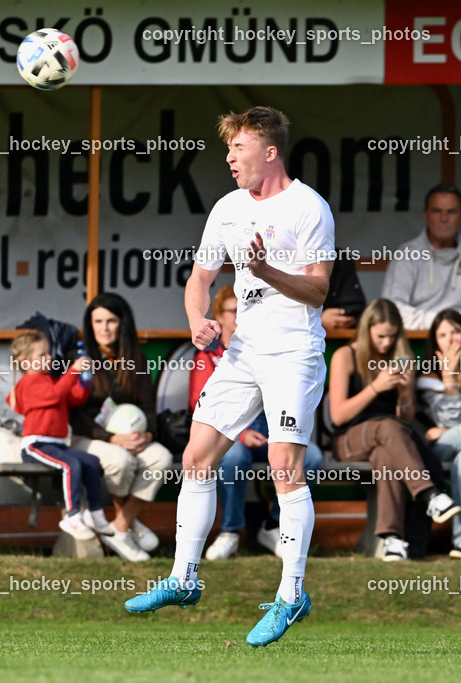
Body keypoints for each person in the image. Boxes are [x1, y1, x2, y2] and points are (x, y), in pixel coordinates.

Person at [125, 106, 333, 647]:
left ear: (270, 152)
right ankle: (183, 578)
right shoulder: (226, 208)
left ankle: (291, 596)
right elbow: (199, 278)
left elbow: (318, 291)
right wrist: (198, 322)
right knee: (195, 457)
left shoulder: (309, 207)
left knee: (285, 465)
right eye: (229, 148)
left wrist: (266, 272)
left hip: (293, 351)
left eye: (238, 148)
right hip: (242, 352)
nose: (229, 158)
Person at [191, 286, 324, 560]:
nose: (241, 314)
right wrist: (241, 435)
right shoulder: (208, 355)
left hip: (274, 430)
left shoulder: (276, 349)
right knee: (231, 458)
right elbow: (198, 406)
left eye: (246, 306)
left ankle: (272, 525)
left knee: (312, 457)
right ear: (218, 316)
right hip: (235, 433)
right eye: (233, 309)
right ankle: (230, 531)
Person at [328, 298, 460, 561]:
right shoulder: (346, 355)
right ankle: (430, 494)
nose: (386, 343)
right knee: (389, 426)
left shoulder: (403, 357)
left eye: (391, 336)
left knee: (387, 452)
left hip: (391, 441)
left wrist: (404, 392)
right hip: (349, 439)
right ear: (366, 331)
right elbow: (339, 415)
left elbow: (407, 416)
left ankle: (392, 540)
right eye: (380, 336)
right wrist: (376, 387)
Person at [68, 292, 172, 561]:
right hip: (85, 438)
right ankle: (129, 525)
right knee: (121, 461)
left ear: (122, 323)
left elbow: (148, 410)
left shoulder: (137, 361)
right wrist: (111, 438)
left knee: (161, 457)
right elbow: (75, 416)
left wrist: (148, 434)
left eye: (111, 321)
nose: (104, 328)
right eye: (98, 321)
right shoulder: (80, 359)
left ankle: (119, 527)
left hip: (130, 438)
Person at [7, 331, 112, 540]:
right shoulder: (28, 383)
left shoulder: (48, 381)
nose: (49, 359)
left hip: (57, 444)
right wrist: (73, 371)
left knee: (91, 461)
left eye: (49, 354)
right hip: (36, 445)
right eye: (42, 355)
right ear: (25, 362)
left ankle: (95, 513)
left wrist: (84, 382)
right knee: (70, 465)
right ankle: (72, 517)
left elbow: (71, 399)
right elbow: (55, 395)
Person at [381, 184, 461, 330]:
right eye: (437, 211)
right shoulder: (406, 254)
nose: (444, 218)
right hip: (415, 343)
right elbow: (391, 311)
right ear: (426, 216)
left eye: (451, 212)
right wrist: (445, 324)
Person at [416, 307, 461, 558]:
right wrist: (450, 378)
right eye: (443, 335)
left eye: (456, 331)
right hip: (434, 447)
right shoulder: (428, 376)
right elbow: (451, 419)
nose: (451, 339)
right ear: (435, 342)